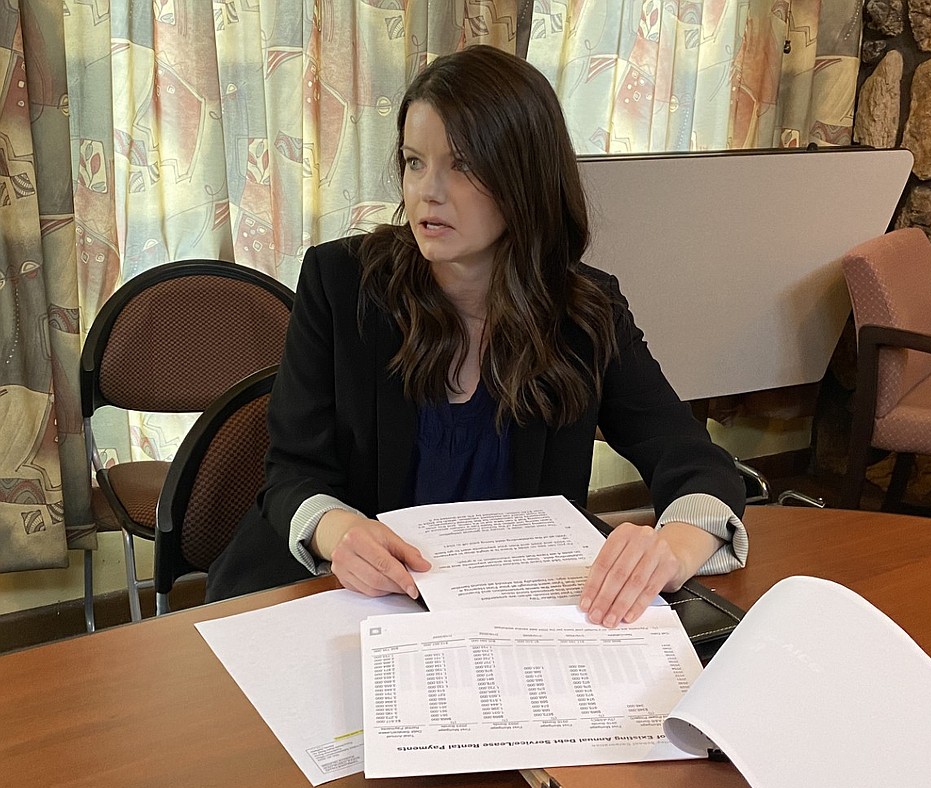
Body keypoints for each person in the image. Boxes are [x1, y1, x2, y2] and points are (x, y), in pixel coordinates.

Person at [206, 45, 748, 627]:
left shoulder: (583, 313)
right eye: (415, 162)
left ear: (524, 179)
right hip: (346, 607)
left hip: (502, 624)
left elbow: (695, 461)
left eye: (462, 165)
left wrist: (670, 551)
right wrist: (337, 532)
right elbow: (292, 472)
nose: (427, 193)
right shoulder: (341, 284)